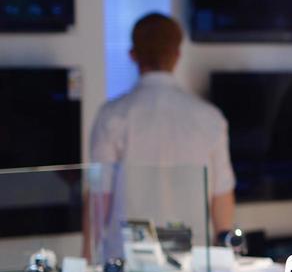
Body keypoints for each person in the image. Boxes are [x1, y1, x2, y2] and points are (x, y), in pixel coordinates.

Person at [89, 12, 236, 250]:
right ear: (177, 55)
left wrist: (87, 263)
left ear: (133, 55)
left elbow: (99, 197)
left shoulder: (113, 115)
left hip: (128, 259)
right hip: (195, 260)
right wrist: (227, 257)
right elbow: (222, 195)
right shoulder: (210, 117)